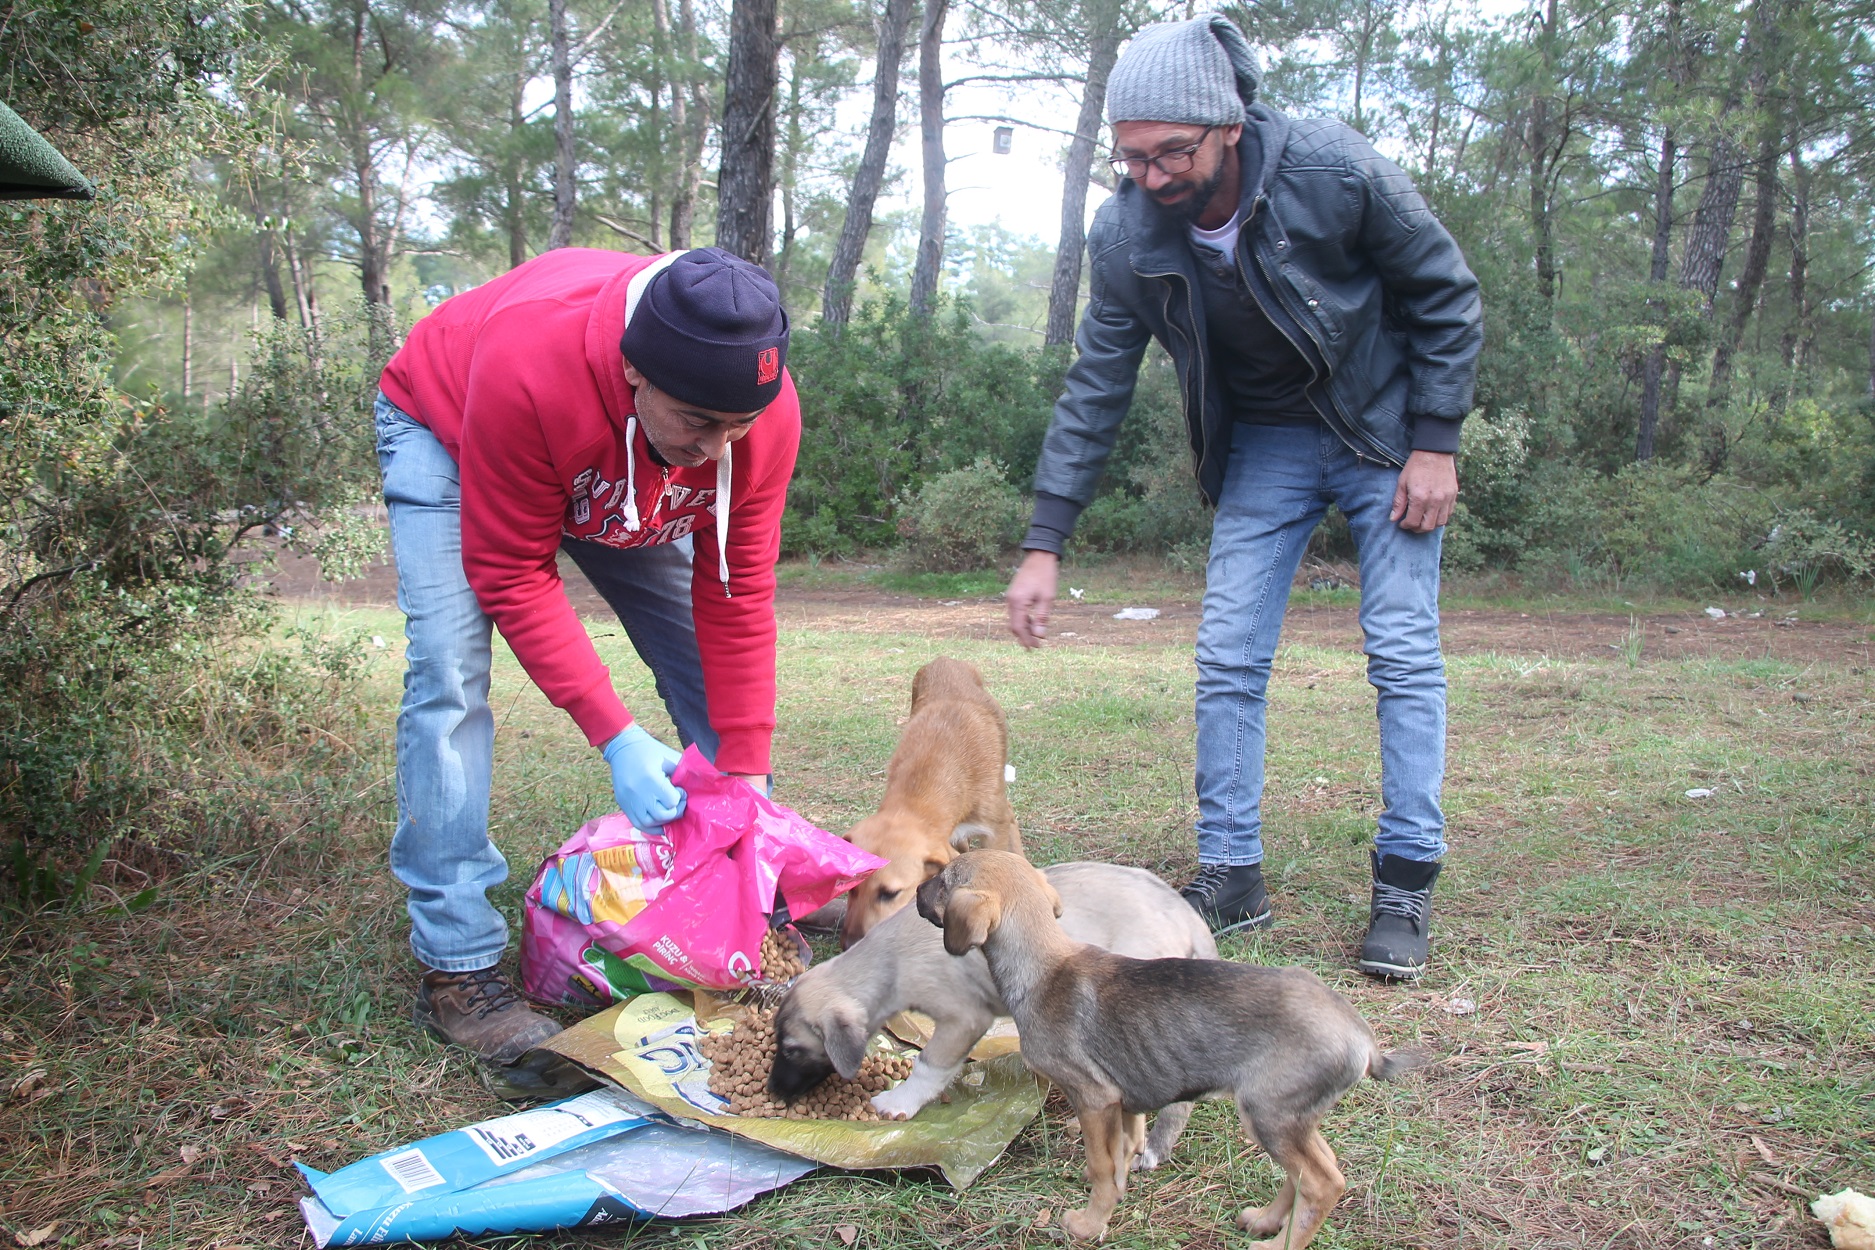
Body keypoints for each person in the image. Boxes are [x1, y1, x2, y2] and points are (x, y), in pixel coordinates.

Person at [1004, 16, 1481, 979]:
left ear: (1227, 125)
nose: (1149, 177)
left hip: (1381, 428)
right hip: (1264, 443)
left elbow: (1443, 293)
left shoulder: (1332, 171)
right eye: (1129, 157)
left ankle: (1404, 883)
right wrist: (1046, 539)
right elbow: (1096, 380)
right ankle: (1230, 871)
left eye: (1169, 153)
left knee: (1399, 650)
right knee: (1226, 654)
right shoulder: (1127, 229)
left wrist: (1435, 442)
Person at [374, 246, 799, 1062]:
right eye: (699, 423)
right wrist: (616, 735)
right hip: (449, 425)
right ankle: (457, 965)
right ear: (635, 372)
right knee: (448, 673)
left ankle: (734, 896)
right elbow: (511, 571)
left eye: (735, 428)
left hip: (618, 461)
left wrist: (743, 769)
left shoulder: (756, 418)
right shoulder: (532, 365)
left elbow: (735, 586)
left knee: (710, 683)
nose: (717, 451)